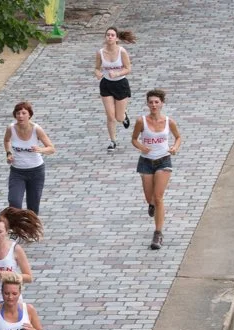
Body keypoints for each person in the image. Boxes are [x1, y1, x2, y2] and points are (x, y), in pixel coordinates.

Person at [131, 88, 182, 250]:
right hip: (146, 162)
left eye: (156, 102)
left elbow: (178, 137)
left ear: (162, 104)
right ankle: (151, 204)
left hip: (163, 161)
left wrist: (174, 147)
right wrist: (141, 146)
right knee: (150, 198)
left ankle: (158, 233)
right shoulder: (141, 121)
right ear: (147, 104)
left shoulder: (169, 122)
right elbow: (134, 139)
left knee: (159, 197)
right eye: (151, 102)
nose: (153, 105)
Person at [0, 207, 41, 313]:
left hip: (12, 296)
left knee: (13, 328)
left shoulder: (16, 249)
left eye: (0, 231)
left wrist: (8, 276)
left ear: (7, 232)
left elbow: (29, 278)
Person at [3, 101, 56, 215]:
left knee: (33, 206)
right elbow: (7, 140)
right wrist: (8, 153)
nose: (20, 116)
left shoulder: (36, 129)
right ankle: (16, 228)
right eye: (18, 113)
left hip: (36, 171)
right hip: (17, 172)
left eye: (23, 113)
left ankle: (30, 230)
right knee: (14, 202)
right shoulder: (11, 128)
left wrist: (40, 149)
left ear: (29, 115)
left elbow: (51, 148)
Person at [94, 27, 136, 152]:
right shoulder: (100, 52)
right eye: (108, 35)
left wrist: (117, 74)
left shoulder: (122, 51)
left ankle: (124, 116)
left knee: (119, 117)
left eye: (112, 35)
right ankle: (112, 141)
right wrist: (97, 73)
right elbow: (96, 68)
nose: (110, 37)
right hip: (106, 84)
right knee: (110, 116)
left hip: (121, 84)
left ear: (117, 38)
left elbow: (128, 68)